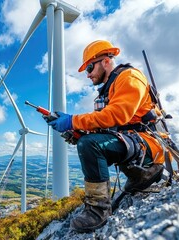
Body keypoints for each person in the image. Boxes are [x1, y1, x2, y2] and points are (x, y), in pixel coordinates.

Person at [48, 40, 170, 233]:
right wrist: (79, 133)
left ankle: (98, 211)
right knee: (88, 141)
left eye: (89, 67)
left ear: (105, 61)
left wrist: (73, 121)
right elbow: (108, 127)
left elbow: (117, 115)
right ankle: (139, 176)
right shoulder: (109, 89)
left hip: (148, 145)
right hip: (134, 144)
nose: (88, 75)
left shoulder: (129, 77)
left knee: (90, 145)